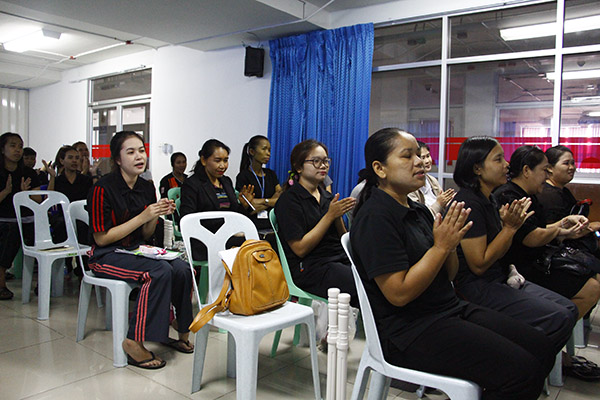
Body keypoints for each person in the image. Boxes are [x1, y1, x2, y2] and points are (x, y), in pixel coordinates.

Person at [351, 128, 554, 400]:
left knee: (541, 346)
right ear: (380, 168)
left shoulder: (417, 209)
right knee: (523, 372)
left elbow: (450, 274)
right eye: (407, 156)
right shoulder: (375, 217)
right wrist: (441, 247)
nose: (420, 162)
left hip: (447, 309)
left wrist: (449, 244)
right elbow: (398, 294)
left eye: (419, 155)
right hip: (410, 330)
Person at [451, 137, 583, 376]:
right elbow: (479, 265)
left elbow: (500, 251)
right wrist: (510, 229)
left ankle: (528, 365)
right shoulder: (468, 203)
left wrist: (510, 228)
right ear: (477, 168)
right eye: (498, 159)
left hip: (499, 277)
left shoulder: (489, 198)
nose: (506, 165)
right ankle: (521, 369)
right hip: (476, 286)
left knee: (569, 310)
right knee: (560, 317)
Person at [87, 131, 194, 369]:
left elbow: (145, 234)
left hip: (135, 249)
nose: (139, 156)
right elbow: (101, 239)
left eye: (141, 151)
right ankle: (133, 341)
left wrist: (156, 213)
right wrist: (144, 215)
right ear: (117, 159)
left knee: (181, 268)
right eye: (131, 152)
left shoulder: (146, 187)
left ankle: (182, 328)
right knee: (158, 272)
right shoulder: (102, 188)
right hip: (105, 255)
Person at [493, 146, 600, 378]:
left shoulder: (531, 194)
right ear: (527, 171)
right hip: (520, 269)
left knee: (591, 278)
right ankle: (545, 346)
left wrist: (563, 226)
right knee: (589, 289)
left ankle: (549, 344)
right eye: (544, 170)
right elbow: (531, 238)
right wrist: (560, 230)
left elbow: (541, 229)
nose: (546, 175)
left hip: (538, 260)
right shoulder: (509, 196)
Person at [274, 139, 358, 306]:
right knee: (362, 286)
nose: (323, 166)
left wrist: (337, 216)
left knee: (375, 277)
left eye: (326, 161)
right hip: (310, 267)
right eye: (316, 161)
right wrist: (329, 216)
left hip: (338, 258)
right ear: (299, 167)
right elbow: (300, 249)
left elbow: (342, 238)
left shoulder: (327, 197)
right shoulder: (289, 200)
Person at [179, 139, 255, 260]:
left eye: (225, 160)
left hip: (228, 236)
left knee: (257, 241)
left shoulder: (226, 181)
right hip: (204, 240)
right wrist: (225, 231)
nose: (222, 166)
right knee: (249, 246)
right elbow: (188, 220)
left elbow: (234, 214)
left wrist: (244, 206)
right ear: (204, 160)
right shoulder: (192, 184)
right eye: (217, 160)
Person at [0, 132, 41, 300]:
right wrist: (6, 192)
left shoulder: (28, 173)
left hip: (26, 218)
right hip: (4, 218)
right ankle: (1, 282)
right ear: (2, 149)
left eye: (20, 146)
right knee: (11, 233)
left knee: (44, 235)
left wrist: (25, 195)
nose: (17, 150)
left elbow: (39, 199)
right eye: (12, 146)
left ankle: (43, 281)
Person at [539, 145, 600, 255]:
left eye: (573, 163)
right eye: (566, 163)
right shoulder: (548, 195)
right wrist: (591, 227)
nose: (572, 167)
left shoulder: (563, 191)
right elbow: (553, 232)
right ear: (550, 168)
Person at [235, 135, 282, 234]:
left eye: (269, 150)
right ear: (252, 152)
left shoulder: (271, 174)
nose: (268, 153)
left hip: (272, 224)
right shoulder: (243, 176)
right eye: (264, 149)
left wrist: (261, 201)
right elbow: (248, 206)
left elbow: (280, 199)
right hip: (252, 225)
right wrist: (271, 201)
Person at [408, 141, 455, 215]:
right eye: (423, 158)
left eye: (428, 156)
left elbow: (443, 205)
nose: (427, 161)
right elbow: (419, 216)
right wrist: (439, 204)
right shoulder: (408, 186)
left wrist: (449, 202)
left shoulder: (432, 180)